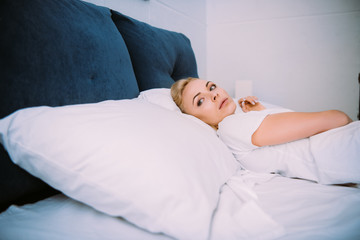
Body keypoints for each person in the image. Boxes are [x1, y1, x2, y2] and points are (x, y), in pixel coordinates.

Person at [171, 77, 359, 184]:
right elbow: (338, 118)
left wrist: (262, 113)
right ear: (195, 120)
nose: (213, 94)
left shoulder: (238, 123)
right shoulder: (231, 127)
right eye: (200, 101)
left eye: (211, 86)